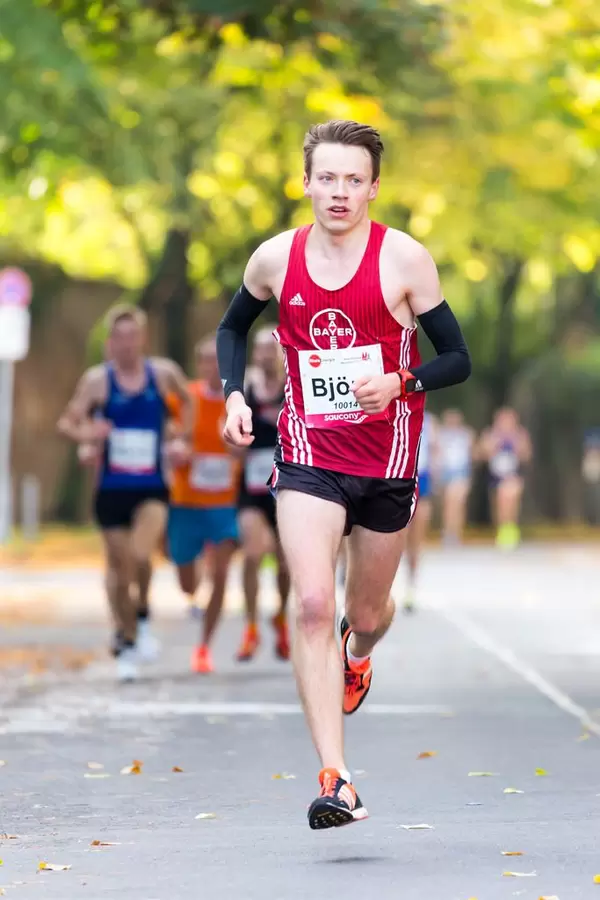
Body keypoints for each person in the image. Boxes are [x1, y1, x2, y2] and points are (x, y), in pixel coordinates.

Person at [216, 119, 471, 829]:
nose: (338, 191)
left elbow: (458, 358)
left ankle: (360, 653)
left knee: (361, 615)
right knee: (312, 606)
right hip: (308, 453)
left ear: (372, 187)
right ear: (306, 182)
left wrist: (403, 381)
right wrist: (235, 393)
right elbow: (233, 327)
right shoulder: (275, 258)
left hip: (386, 458)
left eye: (352, 179)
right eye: (326, 177)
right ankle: (337, 779)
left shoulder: (404, 261)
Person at [57, 304, 190, 682]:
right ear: (110, 342)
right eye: (119, 337)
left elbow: (190, 401)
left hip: (151, 487)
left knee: (137, 553)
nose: (127, 344)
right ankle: (127, 635)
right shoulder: (97, 381)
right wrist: (88, 437)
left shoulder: (162, 375)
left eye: (133, 336)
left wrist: (183, 437)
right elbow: (67, 422)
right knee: (117, 569)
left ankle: (140, 616)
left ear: (142, 339)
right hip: (111, 488)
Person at [166, 335, 241, 675]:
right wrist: (175, 449)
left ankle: (204, 646)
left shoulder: (236, 402)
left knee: (222, 575)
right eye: (207, 361)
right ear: (198, 365)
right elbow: (166, 439)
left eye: (218, 360)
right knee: (187, 583)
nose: (213, 367)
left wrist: (236, 446)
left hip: (223, 504)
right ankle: (192, 586)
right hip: (186, 502)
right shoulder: (183, 399)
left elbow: (247, 448)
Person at [236, 327, 291, 662]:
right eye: (260, 350)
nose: (265, 356)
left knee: (286, 565)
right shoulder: (244, 389)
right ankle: (252, 626)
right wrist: (233, 443)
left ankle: (281, 618)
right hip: (253, 487)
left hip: (288, 487)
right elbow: (225, 428)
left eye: (271, 350)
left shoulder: (294, 387)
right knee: (253, 554)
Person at [477, 406, 532, 549]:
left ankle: (510, 530)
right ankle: (502, 530)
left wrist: (517, 446)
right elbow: (481, 454)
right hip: (495, 475)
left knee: (508, 496)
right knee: (500, 502)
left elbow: (526, 455)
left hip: (513, 474)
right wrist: (493, 445)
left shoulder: (520, 434)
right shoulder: (490, 434)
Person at [403, 410, 438, 613]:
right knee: (395, 539)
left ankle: (411, 585)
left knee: (416, 540)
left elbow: (434, 450)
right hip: (398, 477)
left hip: (421, 479)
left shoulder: (429, 420)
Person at [438, 408, 474, 545]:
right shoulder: (441, 434)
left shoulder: (465, 435)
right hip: (445, 472)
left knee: (457, 501)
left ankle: (455, 532)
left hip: (460, 472)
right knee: (448, 503)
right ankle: (448, 531)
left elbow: (472, 455)